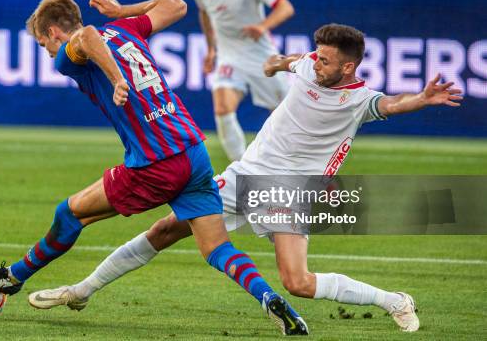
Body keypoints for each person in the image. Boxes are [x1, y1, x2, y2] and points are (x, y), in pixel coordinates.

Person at [50, 23, 463, 333]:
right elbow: (290, 61)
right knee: (165, 229)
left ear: (348, 66)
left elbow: (391, 104)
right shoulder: (308, 66)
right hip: (248, 176)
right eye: (316, 55)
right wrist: (274, 64)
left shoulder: (359, 100)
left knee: (297, 282)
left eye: (325, 60)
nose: (316, 62)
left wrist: (422, 100)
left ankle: (394, 300)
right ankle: (83, 290)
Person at [0, 0, 308, 336]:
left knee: (70, 213)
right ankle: (271, 299)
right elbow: (177, 6)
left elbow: (87, 36)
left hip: (155, 164)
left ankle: (13, 277)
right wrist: (122, 10)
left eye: (42, 44)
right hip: (192, 151)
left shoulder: (69, 54)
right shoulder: (126, 28)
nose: (47, 52)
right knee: (217, 248)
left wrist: (116, 79)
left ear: (53, 32)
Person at [192, 0, 295, 161]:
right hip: (229, 58)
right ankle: (241, 171)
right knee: (222, 109)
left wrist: (263, 25)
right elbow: (205, 14)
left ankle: (312, 171)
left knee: (287, 118)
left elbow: (285, 7)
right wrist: (211, 50)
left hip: (262, 58)